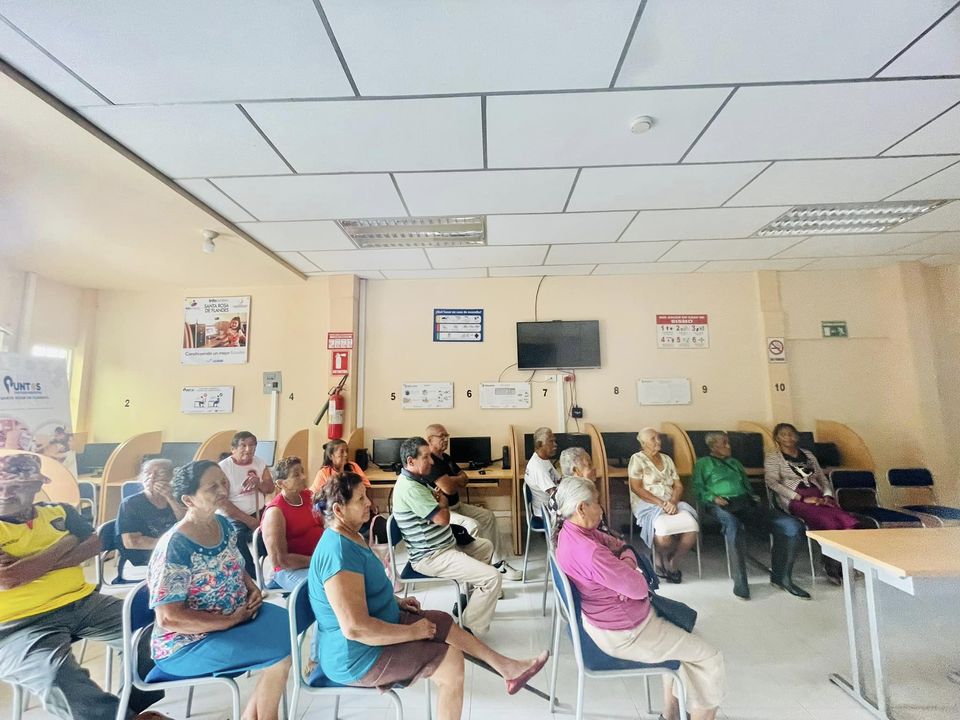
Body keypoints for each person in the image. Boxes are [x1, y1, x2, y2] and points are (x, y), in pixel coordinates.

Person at [308, 470, 548, 720]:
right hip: (357, 656)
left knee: (442, 621)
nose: (369, 502)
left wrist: (397, 602)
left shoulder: (351, 535)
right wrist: (413, 632)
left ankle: (507, 668)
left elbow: (361, 592)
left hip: (376, 628)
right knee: (450, 661)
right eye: (360, 499)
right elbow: (356, 629)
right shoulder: (338, 552)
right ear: (338, 510)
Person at [0, 453, 168, 720]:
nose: (5, 494)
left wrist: (33, 565)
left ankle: (128, 711)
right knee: (55, 676)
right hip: (18, 625)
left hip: (84, 602)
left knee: (154, 629)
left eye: (16, 487)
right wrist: (66, 542)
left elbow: (95, 543)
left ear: (37, 486)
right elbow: (10, 579)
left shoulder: (59, 511)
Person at [554, 475, 724, 720]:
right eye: (597, 502)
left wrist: (623, 557)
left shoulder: (570, 533)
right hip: (625, 633)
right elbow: (638, 587)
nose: (601, 508)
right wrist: (627, 561)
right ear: (581, 508)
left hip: (606, 622)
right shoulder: (589, 552)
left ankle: (670, 715)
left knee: (685, 635)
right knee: (709, 657)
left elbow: (618, 543)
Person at [148, 460, 290, 720]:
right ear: (188, 499)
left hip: (236, 620)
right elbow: (169, 618)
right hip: (188, 643)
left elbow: (235, 564)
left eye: (223, 482)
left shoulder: (222, 524)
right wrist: (229, 621)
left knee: (290, 630)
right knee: (279, 657)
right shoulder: (176, 546)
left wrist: (250, 586)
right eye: (212, 487)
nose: (223, 490)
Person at [392, 437, 502, 636]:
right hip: (431, 556)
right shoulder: (410, 488)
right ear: (410, 461)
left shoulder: (417, 480)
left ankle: (468, 601)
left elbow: (440, 501)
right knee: (492, 577)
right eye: (426, 457)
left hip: (444, 546)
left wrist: (440, 501)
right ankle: (469, 629)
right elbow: (443, 517)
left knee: (485, 547)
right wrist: (442, 501)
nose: (431, 461)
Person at [692, 432, 809, 600]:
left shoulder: (735, 463)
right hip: (718, 505)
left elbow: (746, 486)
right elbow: (697, 489)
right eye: (724, 443)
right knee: (733, 525)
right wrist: (713, 497)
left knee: (792, 526)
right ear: (713, 446)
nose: (729, 446)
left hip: (743, 503)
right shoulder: (703, 463)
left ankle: (782, 578)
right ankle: (740, 582)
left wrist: (753, 497)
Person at [424, 423, 521, 581]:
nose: (446, 439)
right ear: (429, 439)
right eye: (441, 436)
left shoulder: (446, 458)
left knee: (488, 516)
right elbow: (449, 488)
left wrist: (451, 479)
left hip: (457, 506)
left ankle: (498, 563)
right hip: (444, 512)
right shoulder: (430, 462)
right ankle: (477, 573)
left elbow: (464, 479)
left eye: (446, 436)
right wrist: (454, 480)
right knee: (472, 525)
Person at [764, 423, 858, 583]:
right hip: (796, 498)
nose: (788, 437)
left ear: (797, 436)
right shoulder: (773, 457)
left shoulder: (807, 454)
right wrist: (801, 498)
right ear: (777, 438)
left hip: (818, 495)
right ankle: (831, 565)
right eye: (783, 434)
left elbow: (821, 477)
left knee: (847, 521)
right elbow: (772, 483)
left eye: (791, 433)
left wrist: (827, 495)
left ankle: (842, 561)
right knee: (828, 522)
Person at [628, 427, 699, 583]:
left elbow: (678, 485)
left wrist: (672, 502)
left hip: (670, 501)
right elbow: (636, 488)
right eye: (653, 439)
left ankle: (673, 561)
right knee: (664, 536)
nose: (658, 441)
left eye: (658, 438)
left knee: (692, 529)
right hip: (647, 503)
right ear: (643, 443)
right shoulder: (637, 459)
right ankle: (658, 555)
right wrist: (661, 504)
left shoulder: (667, 459)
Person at [260, 456, 323, 591]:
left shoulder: (308, 496)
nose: (303, 477)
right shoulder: (275, 512)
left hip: (317, 560)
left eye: (302, 472)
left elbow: (324, 524)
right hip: (290, 569)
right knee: (326, 588)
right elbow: (280, 560)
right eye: (296, 475)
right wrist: (317, 562)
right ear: (281, 483)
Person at [218, 431, 274, 576]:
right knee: (237, 536)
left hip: (258, 511)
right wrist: (249, 521)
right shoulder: (223, 468)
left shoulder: (259, 463)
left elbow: (270, 488)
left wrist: (259, 483)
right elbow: (222, 503)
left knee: (275, 528)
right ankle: (250, 573)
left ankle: (273, 564)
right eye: (243, 445)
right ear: (233, 449)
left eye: (252, 445)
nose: (248, 449)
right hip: (234, 516)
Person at [117, 459, 184, 566]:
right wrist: (171, 545)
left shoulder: (179, 498)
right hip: (145, 560)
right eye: (147, 473)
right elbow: (132, 542)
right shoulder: (131, 503)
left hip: (175, 556)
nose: (152, 477)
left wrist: (171, 498)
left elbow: (188, 524)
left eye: (160, 473)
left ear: (172, 477)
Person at [311, 439, 379, 524]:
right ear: (331, 456)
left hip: (356, 508)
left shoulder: (353, 466)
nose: (346, 454)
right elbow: (314, 496)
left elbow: (367, 486)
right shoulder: (324, 473)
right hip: (336, 512)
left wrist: (371, 503)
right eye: (342, 452)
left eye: (347, 451)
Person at [524, 426, 560, 517]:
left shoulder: (543, 459)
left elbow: (559, 480)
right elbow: (554, 494)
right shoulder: (537, 467)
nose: (555, 445)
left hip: (550, 507)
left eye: (554, 441)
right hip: (547, 513)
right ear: (539, 444)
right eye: (551, 441)